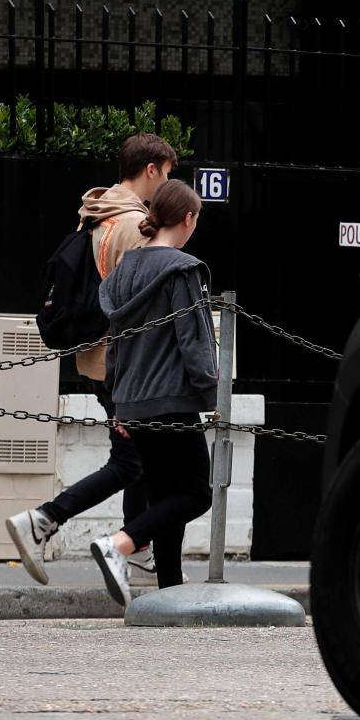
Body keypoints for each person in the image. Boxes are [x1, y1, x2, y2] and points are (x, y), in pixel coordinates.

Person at [6, 133, 178, 583]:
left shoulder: (98, 213)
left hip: (100, 360)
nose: (167, 185)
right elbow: (139, 308)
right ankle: (44, 521)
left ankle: (135, 554)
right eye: (168, 174)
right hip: (123, 366)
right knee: (133, 463)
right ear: (152, 170)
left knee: (139, 461)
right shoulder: (133, 226)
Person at [90, 179, 218, 606]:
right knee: (196, 493)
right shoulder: (184, 269)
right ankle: (121, 544)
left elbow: (116, 341)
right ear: (188, 218)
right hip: (173, 399)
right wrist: (211, 394)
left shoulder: (124, 269)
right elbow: (194, 341)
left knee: (166, 495)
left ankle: (168, 593)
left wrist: (116, 401)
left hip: (131, 398)